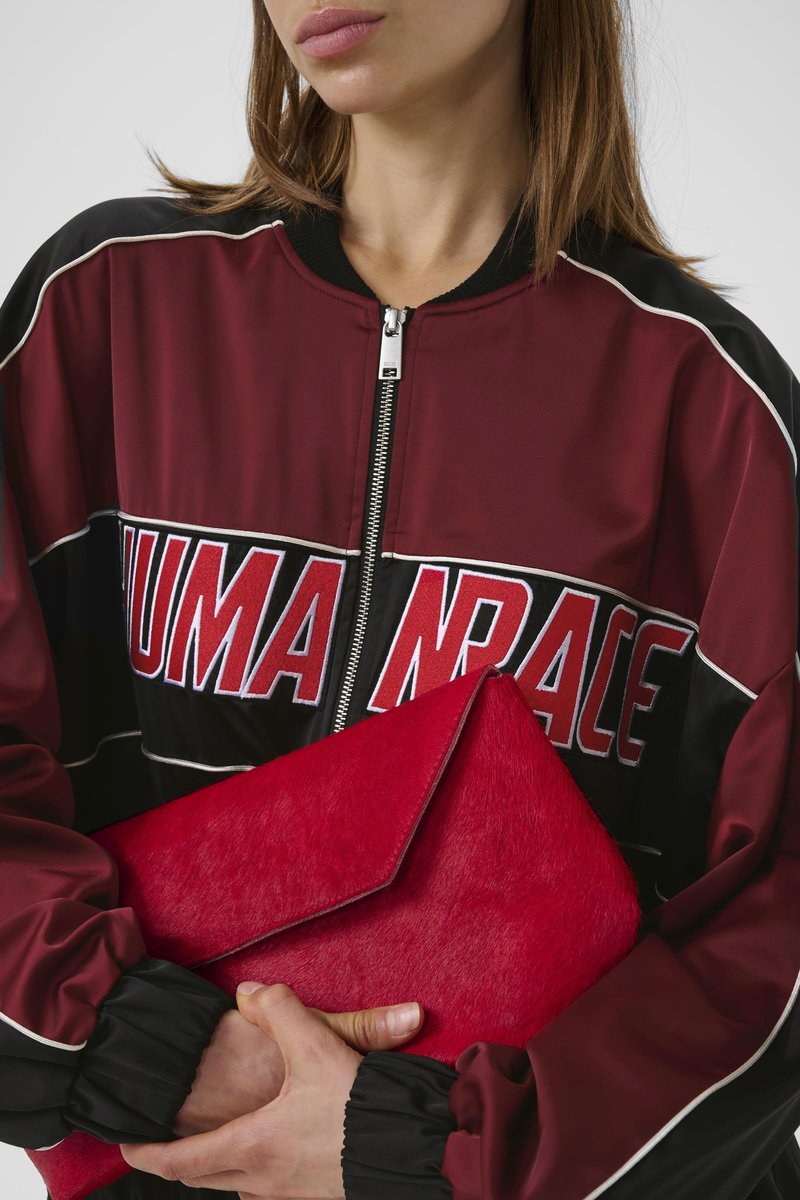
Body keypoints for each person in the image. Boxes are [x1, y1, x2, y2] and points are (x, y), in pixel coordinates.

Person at [1, 0, 799, 1197]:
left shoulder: (709, 408)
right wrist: (142, 1044)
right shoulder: (107, 307)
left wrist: (429, 1147)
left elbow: (769, 938)